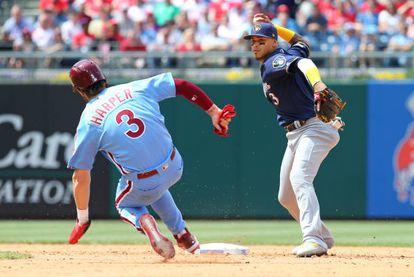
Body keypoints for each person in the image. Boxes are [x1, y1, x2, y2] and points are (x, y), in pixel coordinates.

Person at [67, 59, 235, 259]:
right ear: (104, 79)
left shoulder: (89, 121)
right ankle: (183, 235)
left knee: (125, 204)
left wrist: (82, 219)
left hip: (143, 181)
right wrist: (213, 111)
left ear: (79, 91)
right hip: (175, 165)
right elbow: (181, 85)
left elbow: (81, 175)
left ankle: (144, 222)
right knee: (154, 188)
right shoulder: (135, 88)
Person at [243, 16, 342, 257]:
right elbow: (301, 42)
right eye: (252, 41)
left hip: (313, 128)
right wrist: (272, 27)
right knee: (286, 196)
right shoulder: (284, 52)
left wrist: (318, 84)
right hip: (296, 132)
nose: (255, 45)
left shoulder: (274, 61)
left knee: (300, 177)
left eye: (261, 40)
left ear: (274, 43)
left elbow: (304, 64)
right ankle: (323, 236)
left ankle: (313, 238)